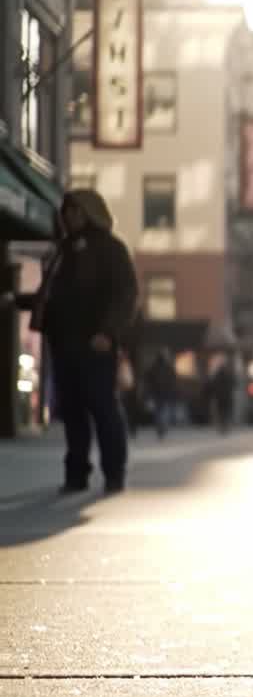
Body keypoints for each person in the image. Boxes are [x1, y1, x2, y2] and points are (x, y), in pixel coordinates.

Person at [17, 189, 139, 495]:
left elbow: (125, 295)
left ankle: (114, 473)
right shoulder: (62, 252)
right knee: (72, 412)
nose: (69, 217)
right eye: (67, 211)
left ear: (90, 213)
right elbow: (52, 297)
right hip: (63, 343)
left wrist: (108, 332)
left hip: (95, 344)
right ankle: (76, 474)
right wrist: (17, 300)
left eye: (76, 211)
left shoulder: (111, 250)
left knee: (102, 407)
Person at [145, 349, 179, 439]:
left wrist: (148, 393)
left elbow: (148, 381)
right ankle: (162, 427)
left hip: (157, 394)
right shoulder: (168, 367)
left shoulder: (153, 367)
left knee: (159, 412)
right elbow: (173, 381)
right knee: (163, 411)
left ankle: (160, 428)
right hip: (165, 394)